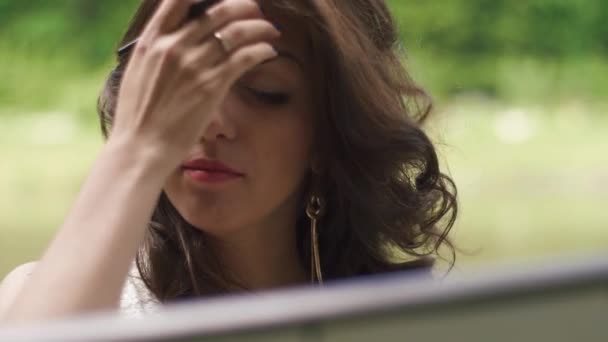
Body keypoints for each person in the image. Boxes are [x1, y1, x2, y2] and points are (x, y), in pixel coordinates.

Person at [0, 0, 457, 322]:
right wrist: (135, 156)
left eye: (265, 93)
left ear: (329, 133)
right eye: (183, 88)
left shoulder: (415, 320)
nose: (211, 121)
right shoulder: (39, 302)